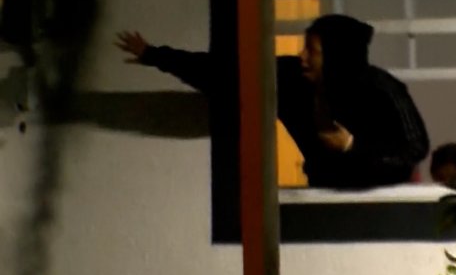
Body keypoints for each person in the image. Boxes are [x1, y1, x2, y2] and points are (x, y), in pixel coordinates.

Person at [115, 14, 430, 189]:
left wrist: (353, 146)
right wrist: (154, 55)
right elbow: (225, 73)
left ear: (336, 58)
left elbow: (414, 148)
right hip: (318, 192)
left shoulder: (382, 89)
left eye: (313, 52)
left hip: (366, 203)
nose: (302, 56)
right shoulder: (291, 77)